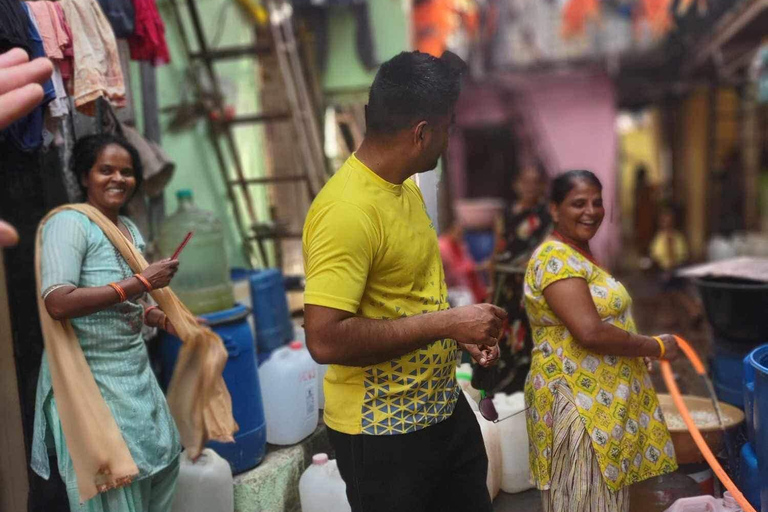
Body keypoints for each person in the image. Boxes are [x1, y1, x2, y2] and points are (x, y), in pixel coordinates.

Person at [302, 51, 507, 512]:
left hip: (440, 409)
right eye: (448, 127)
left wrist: (462, 336)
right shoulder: (347, 211)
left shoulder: (406, 185)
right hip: (382, 435)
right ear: (421, 133)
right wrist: (448, 324)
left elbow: (404, 302)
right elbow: (325, 339)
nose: (449, 138)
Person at [32, 134, 183, 512]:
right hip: (91, 378)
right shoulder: (69, 224)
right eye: (106, 170)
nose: (118, 179)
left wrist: (162, 318)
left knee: (162, 464)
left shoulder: (129, 229)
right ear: (85, 176)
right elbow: (57, 301)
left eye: (127, 172)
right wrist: (144, 281)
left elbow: (132, 303)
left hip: (135, 374)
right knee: (116, 483)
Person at [523, 170, 680, 512]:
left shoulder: (578, 254)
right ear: (554, 209)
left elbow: (605, 321)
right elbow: (590, 332)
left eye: (597, 202)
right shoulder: (555, 259)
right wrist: (655, 346)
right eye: (578, 203)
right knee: (585, 498)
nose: (591, 211)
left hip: (601, 400)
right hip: (579, 402)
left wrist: (631, 348)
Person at [473, 163, 551, 395]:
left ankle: (528, 389)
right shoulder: (505, 215)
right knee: (503, 336)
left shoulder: (547, 215)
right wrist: (492, 286)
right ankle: (503, 391)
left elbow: (547, 251)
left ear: (542, 186)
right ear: (517, 184)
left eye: (535, 182)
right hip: (505, 288)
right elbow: (497, 252)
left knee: (528, 339)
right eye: (525, 182)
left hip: (531, 287)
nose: (529, 187)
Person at [438, 220, 488, 304]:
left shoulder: (459, 244)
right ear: (451, 229)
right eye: (458, 231)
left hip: (460, 286)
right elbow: (454, 271)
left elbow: (468, 263)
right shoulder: (442, 246)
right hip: (446, 287)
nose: (461, 234)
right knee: (465, 296)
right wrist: (478, 267)